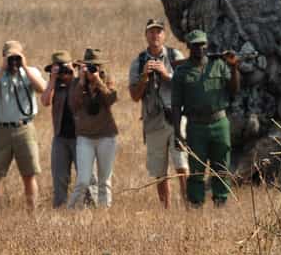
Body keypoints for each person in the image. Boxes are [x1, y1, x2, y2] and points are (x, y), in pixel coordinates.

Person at [171, 29, 240, 207]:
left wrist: (233, 67)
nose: (199, 48)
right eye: (195, 45)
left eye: (202, 44)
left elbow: (234, 90)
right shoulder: (181, 72)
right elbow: (176, 105)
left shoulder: (218, 65)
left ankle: (221, 202)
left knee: (222, 165)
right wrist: (178, 133)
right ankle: (196, 205)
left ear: (207, 45)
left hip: (219, 122)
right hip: (195, 125)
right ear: (188, 47)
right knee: (196, 168)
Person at [129, 18, 188, 208]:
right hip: (153, 120)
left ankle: (189, 206)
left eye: (158, 32)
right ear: (146, 35)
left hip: (176, 118)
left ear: (164, 35)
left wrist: (165, 74)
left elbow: (185, 85)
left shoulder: (174, 55)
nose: (155, 35)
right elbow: (134, 96)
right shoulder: (138, 62)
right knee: (159, 170)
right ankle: (166, 209)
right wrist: (144, 77)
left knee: (182, 165)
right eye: (151, 32)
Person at [0, 40, 46, 210]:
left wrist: (24, 68)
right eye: (11, 58)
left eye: (17, 57)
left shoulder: (31, 72)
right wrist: (2, 69)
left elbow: (42, 88)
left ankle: (32, 213)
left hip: (24, 128)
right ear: (4, 58)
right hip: (2, 129)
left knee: (29, 174)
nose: (14, 61)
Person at [40, 50, 95, 208]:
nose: (64, 75)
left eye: (67, 70)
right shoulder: (55, 86)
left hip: (81, 138)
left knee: (86, 177)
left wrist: (80, 77)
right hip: (60, 138)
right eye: (60, 70)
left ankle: (91, 209)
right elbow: (44, 101)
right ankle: (60, 210)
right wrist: (52, 80)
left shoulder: (81, 83)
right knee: (59, 178)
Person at [68, 48, 118, 208]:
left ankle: (104, 215)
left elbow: (111, 99)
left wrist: (98, 81)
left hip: (106, 136)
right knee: (83, 180)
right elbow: (73, 105)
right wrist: (82, 82)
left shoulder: (106, 79)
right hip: (85, 137)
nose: (92, 69)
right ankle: (72, 211)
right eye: (89, 66)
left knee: (105, 181)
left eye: (95, 66)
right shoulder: (77, 83)